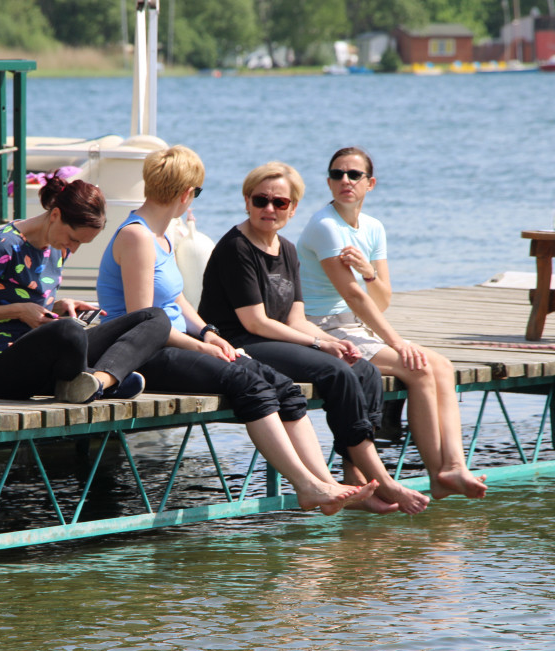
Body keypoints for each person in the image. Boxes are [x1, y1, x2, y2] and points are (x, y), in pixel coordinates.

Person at [96, 145, 379, 515]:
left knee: (284, 387)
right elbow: (143, 323)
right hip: (145, 355)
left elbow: (177, 302)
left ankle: (323, 482)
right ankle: (306, 485)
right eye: (196, 193)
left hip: (176, 344)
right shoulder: (137, 237)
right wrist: (202, 349)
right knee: (249, 385)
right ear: (186, 194)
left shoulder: (162, 236)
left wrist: (209, 333)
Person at [198, 161, 429, 514]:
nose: (269, 209)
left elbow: (294, 316)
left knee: (362, 369)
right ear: (246, 202)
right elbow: (255, 322)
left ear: (293, 209)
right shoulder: (237, 248)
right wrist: (320, 344)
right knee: (334, 371)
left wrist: (332, 341)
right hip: (239, 341)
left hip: (276, 339)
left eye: (281, 203)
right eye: (261, 200)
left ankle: (353, 476)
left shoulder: (287, 249)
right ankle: (383, 480)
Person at [297, 147, 488, 500]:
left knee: (442, 366)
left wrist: (368, 271)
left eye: (354, 175)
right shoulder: (326, 226)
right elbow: (354, 298)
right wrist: (398, 342)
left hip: (357, 324)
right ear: (328, 182)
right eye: (337, 174)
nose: (345, 181)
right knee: (418, 369)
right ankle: (438, 472)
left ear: (370, 184)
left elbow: (380, 300)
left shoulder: (372, 228)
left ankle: (455, 466)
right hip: (323, 327)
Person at [0, 173, 171, 403]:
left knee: (154, 317)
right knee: (69, 332)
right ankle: (95, 382)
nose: (73, 249)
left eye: (81, 243)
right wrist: (18, 310)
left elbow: (21, 299)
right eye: (73, 239)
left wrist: (57, 306)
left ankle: (96, 382)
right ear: (55, 215)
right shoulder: (4, 248)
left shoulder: (58, 246)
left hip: (41, 358)